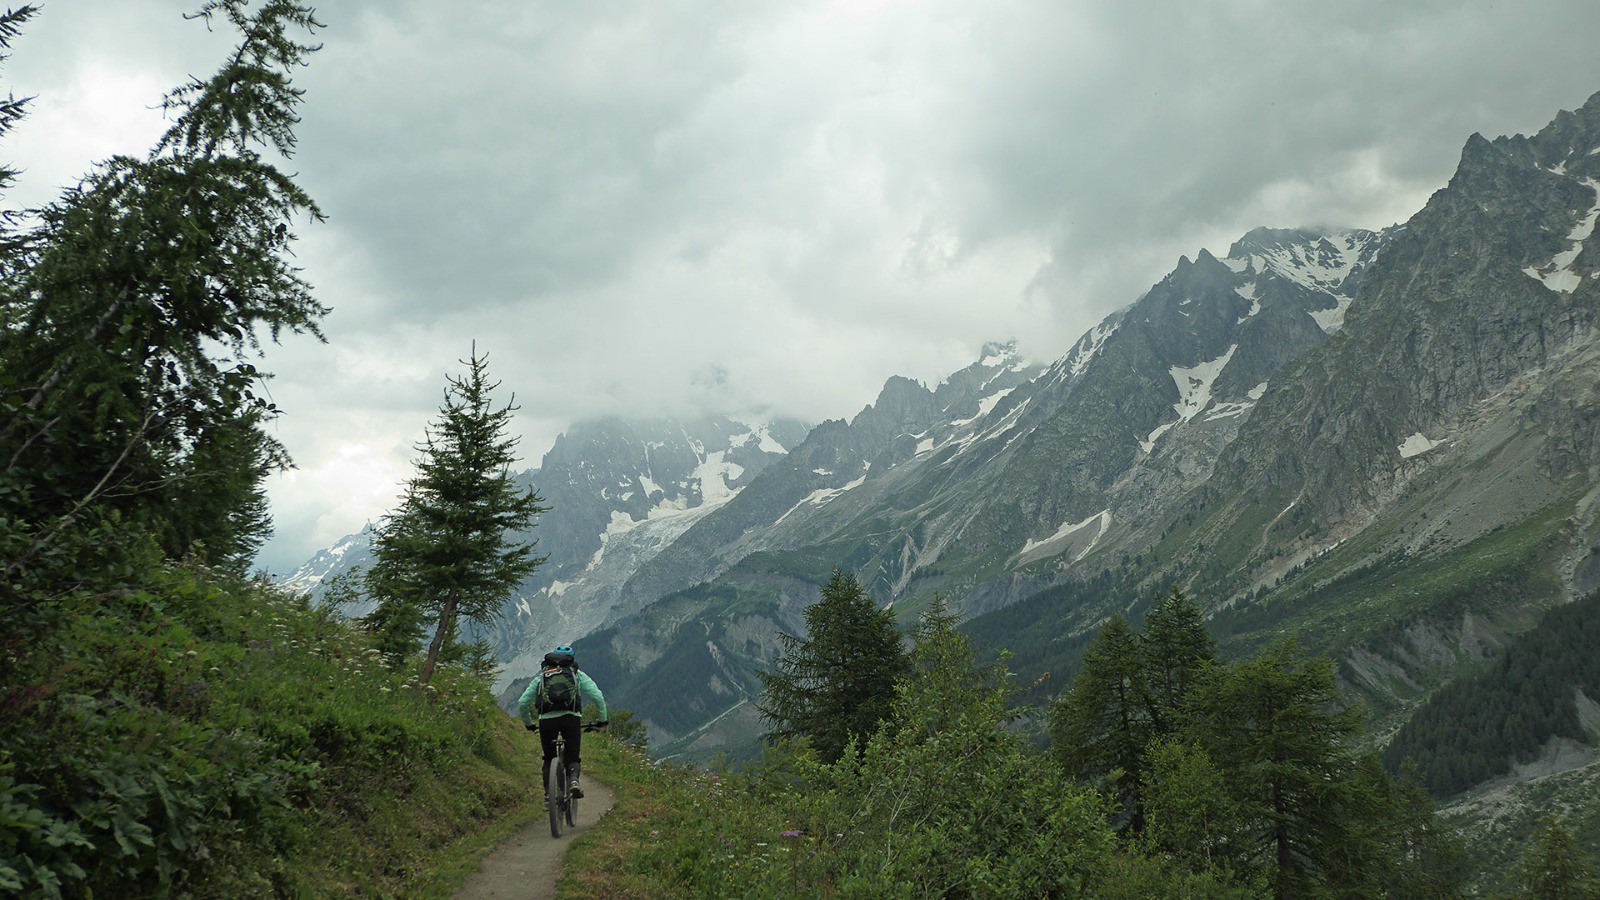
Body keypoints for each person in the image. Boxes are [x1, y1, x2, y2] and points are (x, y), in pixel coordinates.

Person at [518, 644, 607, 804]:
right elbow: (598, 697)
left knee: (548, 758)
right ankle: (573, 780)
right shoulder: (576, 674)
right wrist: (602, 720)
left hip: (546, 721)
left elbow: (523, 702)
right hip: (571, 719)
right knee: (573, 757)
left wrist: (529, 724)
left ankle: (548, 797)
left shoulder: (543, 676)